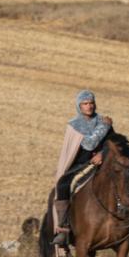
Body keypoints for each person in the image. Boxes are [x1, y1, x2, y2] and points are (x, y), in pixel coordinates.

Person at [51, 90, 112, 246]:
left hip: (103, 163)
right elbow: (89, 144)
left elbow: (113, 143)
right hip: (80, 164)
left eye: (91, 103)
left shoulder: (102, 120)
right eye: (85, 103)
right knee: (63, 184)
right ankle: (63, 228)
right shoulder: (74, 125)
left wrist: (103, 154)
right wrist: (104, 127)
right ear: (79, 106)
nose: (89, 106)